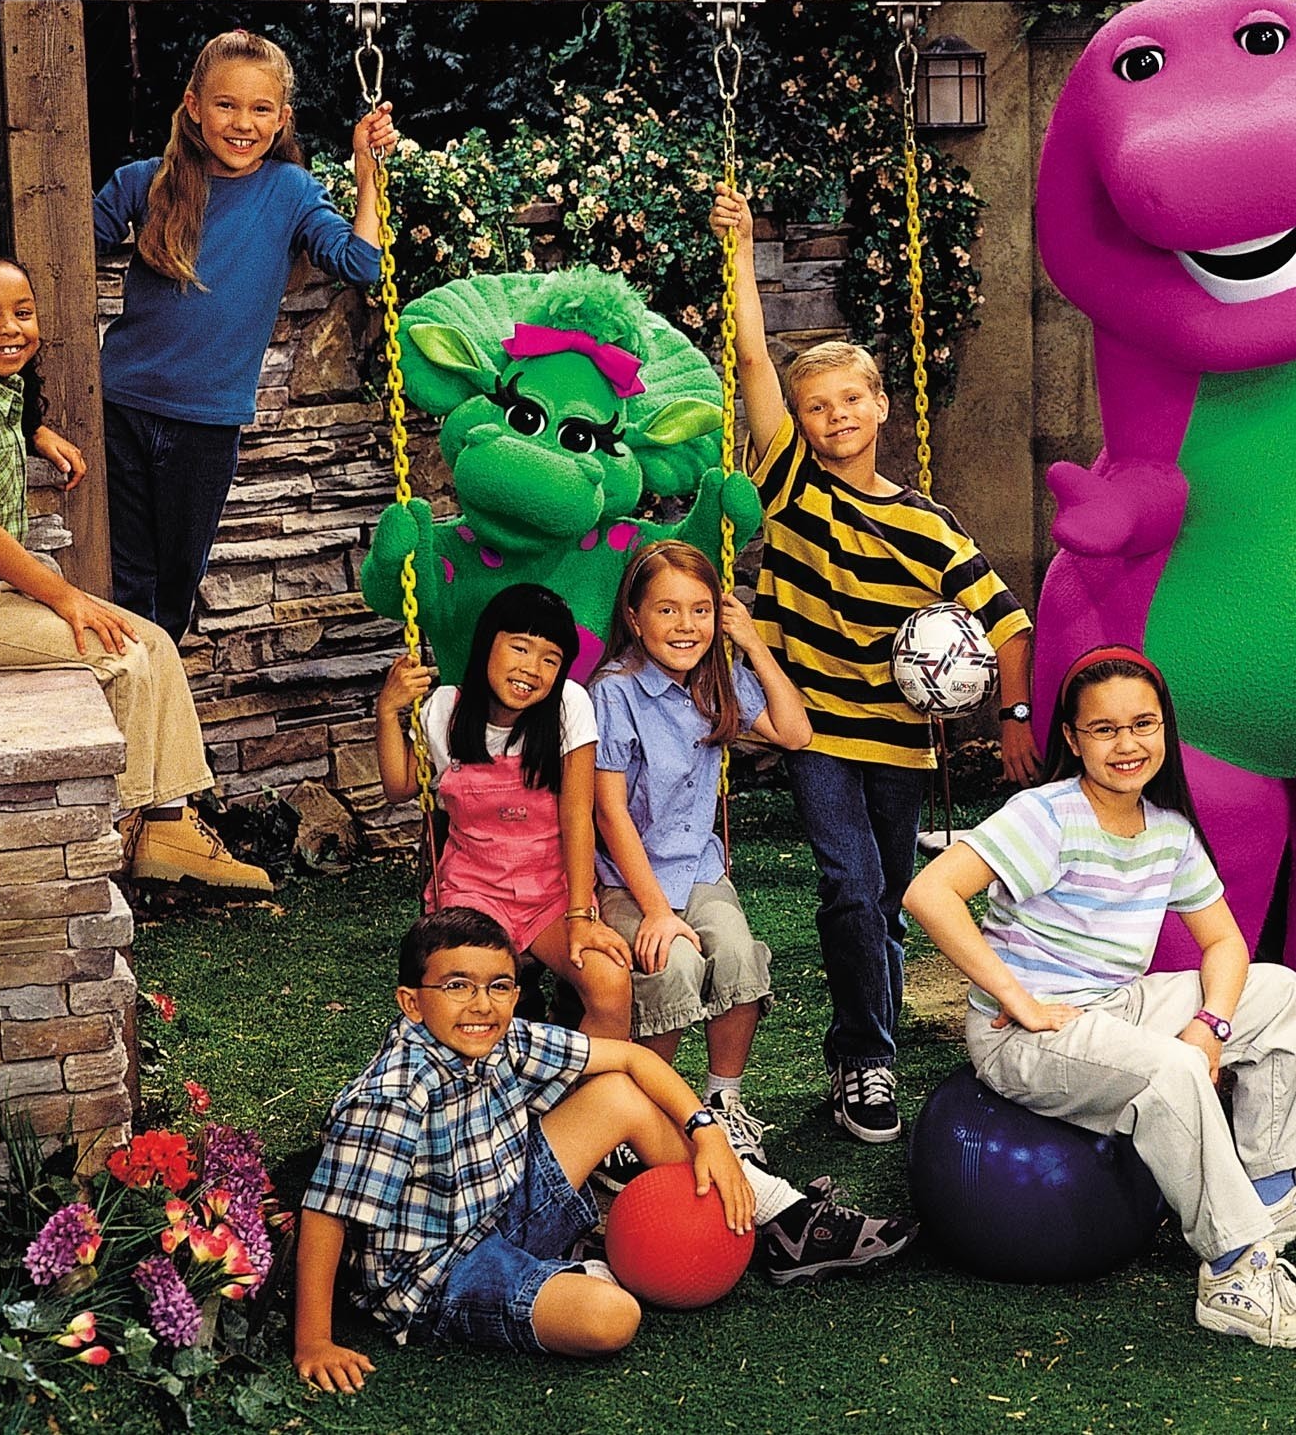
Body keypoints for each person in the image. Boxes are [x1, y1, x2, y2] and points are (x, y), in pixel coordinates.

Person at [902, 647, 1296, 1349]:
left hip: (1115, 1005)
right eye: (1105, 728)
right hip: (1028, 1032)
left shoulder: (1167, 830)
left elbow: (1227, 944)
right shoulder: (1045, 816)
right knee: (1171, 1071)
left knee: (1278, 993)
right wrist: (1015, 995)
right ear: (1071, 738)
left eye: (1143, 724)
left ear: (1164, 730)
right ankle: (1236, 1272)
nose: (1127, 744)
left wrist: (1211, 1025)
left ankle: (1272, 1194)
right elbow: (927, 893)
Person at [714, 183, 1037, 1143]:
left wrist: (1013, 721)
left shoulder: (927, 525)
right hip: (814, 728)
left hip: (900, 741)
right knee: (849, 886)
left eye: (850, 397)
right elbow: (752, 360)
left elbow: (1009, 625)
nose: (832, 414)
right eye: (816, 406)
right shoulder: (787, 486)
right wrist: (739, 249)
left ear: (881, 406)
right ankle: (865, 1060)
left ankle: (873, 1038)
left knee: (890, 899)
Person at [293, 906, 919, 1391]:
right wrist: (314, 1342)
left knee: (619, 1092)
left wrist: (708, 1131)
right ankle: (590, 1260)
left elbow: (628, 1058)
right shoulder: (390, 1096)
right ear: (412, 1002)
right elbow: (324, 1216)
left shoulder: (500, 1036)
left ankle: (770, 1214)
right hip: (443, 1271)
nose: (482, 1005)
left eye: (500, 986)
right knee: (611, 1319)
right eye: (457, 986)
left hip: (505, 1201)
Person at [0, 253, 266, 887]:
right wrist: (64, 597)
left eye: (23, 313)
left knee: (154, 641)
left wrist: (37, 432)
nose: (10, 328)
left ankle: (169, 825)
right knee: (117, 654)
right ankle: (126, 827)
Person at [93, 28, 401, 642]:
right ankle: (127, 714)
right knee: (123, 584)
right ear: (194, 105)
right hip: (118, 407)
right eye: (226, 105)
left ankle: (156, 706)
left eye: (261, 109)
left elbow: (362, 265)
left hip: (206, 424)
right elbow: (57, 255)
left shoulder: (288, 191)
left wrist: (367, 174)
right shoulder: (144, 182)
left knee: (175, 585)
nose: (242, 123)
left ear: (282, 118)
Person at [589, 541, 811, 1160]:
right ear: (634, 618)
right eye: (667, 611)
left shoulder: (717, 681)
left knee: (737, 956)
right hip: (628, 878)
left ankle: (722, 1102)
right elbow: (609, 813)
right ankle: (645, 1109)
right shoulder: (615, 692)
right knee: (674, 965)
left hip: (700, 868)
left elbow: (794, 733)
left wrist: (754, 644)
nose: (686, 626)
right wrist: (657, 911)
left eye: (702, 610)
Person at [375, 582, 633, 1041]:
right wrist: (387, 711)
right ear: (487, 642)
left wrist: (579, 918)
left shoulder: (569, 706)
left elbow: (578, 817)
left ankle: (594, 1100)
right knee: (471, 996)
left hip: (550, 898)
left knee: (610, 984)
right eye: (519, 647)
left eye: (549, 659)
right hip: (473, 892)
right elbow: (399, 787)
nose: (531, 669)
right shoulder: (444, 711)